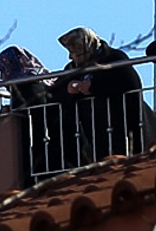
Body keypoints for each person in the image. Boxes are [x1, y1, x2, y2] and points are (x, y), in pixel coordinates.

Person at [55, 26, 149, 167]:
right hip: (90, 134)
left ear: (84, 47)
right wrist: (69, 89)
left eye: (74, 51)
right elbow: (55, 93)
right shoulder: (72, 69)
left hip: (118, 127)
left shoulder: (113, 58)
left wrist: (94, 86)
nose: (70, 56)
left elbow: (130, 83)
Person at [0, 46, 54, 186]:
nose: (1, 78)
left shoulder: (26, 86)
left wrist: (12, 114)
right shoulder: (37, 80)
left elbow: (26, 118)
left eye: (3, 71)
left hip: (39, 153)